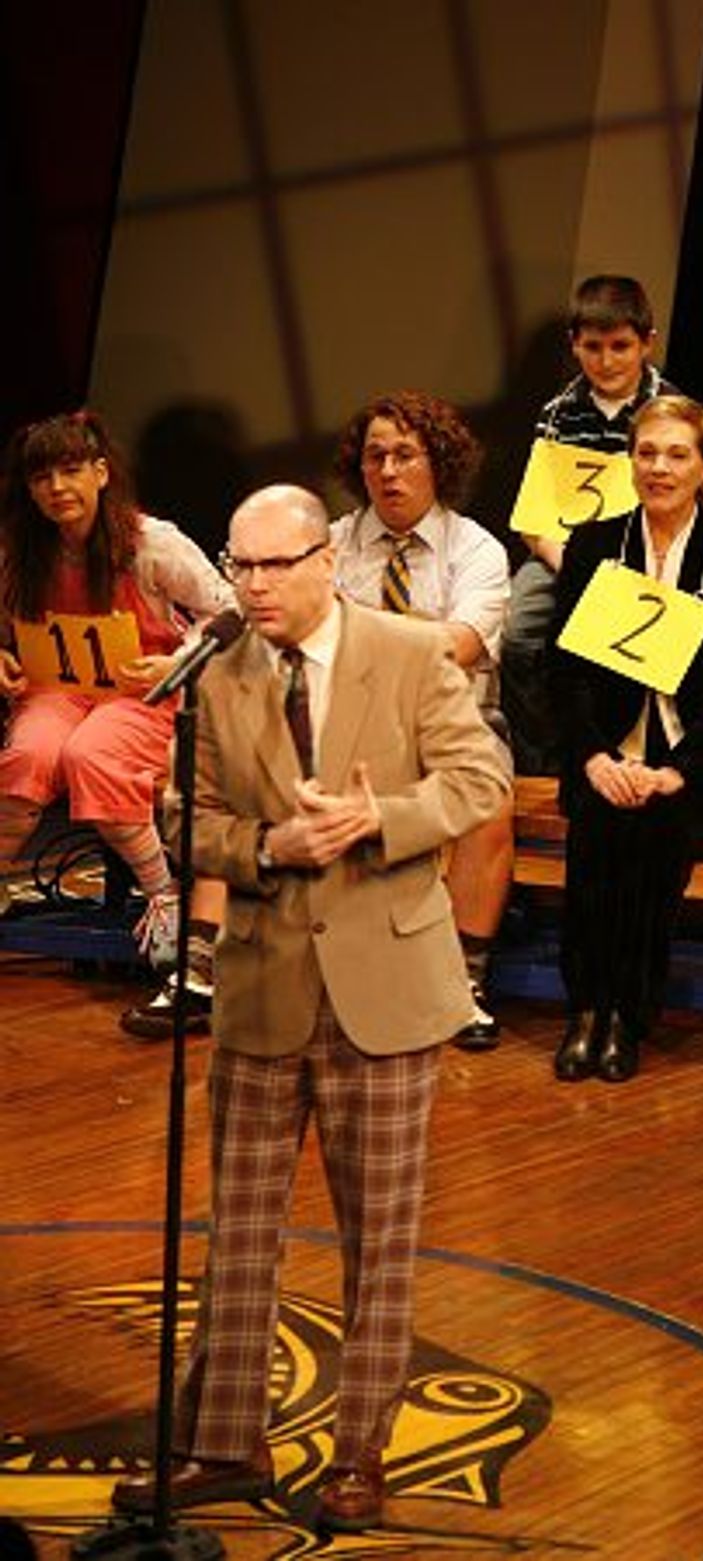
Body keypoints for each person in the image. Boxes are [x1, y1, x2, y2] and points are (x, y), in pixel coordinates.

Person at [111, 484, 508, 1532]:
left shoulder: (413, 652)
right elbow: (187, 823)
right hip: (261, 983)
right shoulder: (219, 670)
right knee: (238, 1232)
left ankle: (359, 1455)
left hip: (384, 985)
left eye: (273, 566)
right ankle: (221, 1444)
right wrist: (268, 847)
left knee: (379, 1237)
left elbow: (481, 780)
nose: (252, 585)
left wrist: (379, 817)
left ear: (322, 561)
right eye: (239, 566)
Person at [548, 394, 703, 1082]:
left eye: (677, 454)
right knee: (595, 826)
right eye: (647, 453)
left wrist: (679, 769)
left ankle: (627, 1016)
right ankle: (585, 1009)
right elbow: (563, 670)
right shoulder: (595, 545)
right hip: (607, 754)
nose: (659, 468)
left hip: (698, 761)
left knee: (654, 829)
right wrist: (591, 756)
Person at [0, 410, 233, 988]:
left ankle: (164, 897)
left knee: (93, 754)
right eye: (41, 479)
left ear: (101, 473)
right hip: (59, 690)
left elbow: (229, 609)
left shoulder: (151, 543)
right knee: (29, 754)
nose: (57, 489)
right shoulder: (22, 549)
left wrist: (176, 663)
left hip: (142, 693)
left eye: (71, 471)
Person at [331, 391, 513, 1050]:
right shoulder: (330, 546)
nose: (388, 469)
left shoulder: (477, 549)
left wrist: (362, 638)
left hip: (452, 715)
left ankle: (462, 981)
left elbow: (459, 646)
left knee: (486, 798)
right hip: (347, 717)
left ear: (438, 463)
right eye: (375, 455)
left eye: (405, 454)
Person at [501, 275, 677, 774]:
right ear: (574, 345)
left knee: (633, 654)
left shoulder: (669, 411)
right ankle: (542, 766)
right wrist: (572, 564)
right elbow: (534, 518)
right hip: (562, 554)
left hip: (646, 555)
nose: (607, 361)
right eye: (593, 347)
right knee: (518, 636)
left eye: (621, 346)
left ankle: (630, 760)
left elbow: (683, 502)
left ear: (646, 342)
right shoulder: (557, 415)